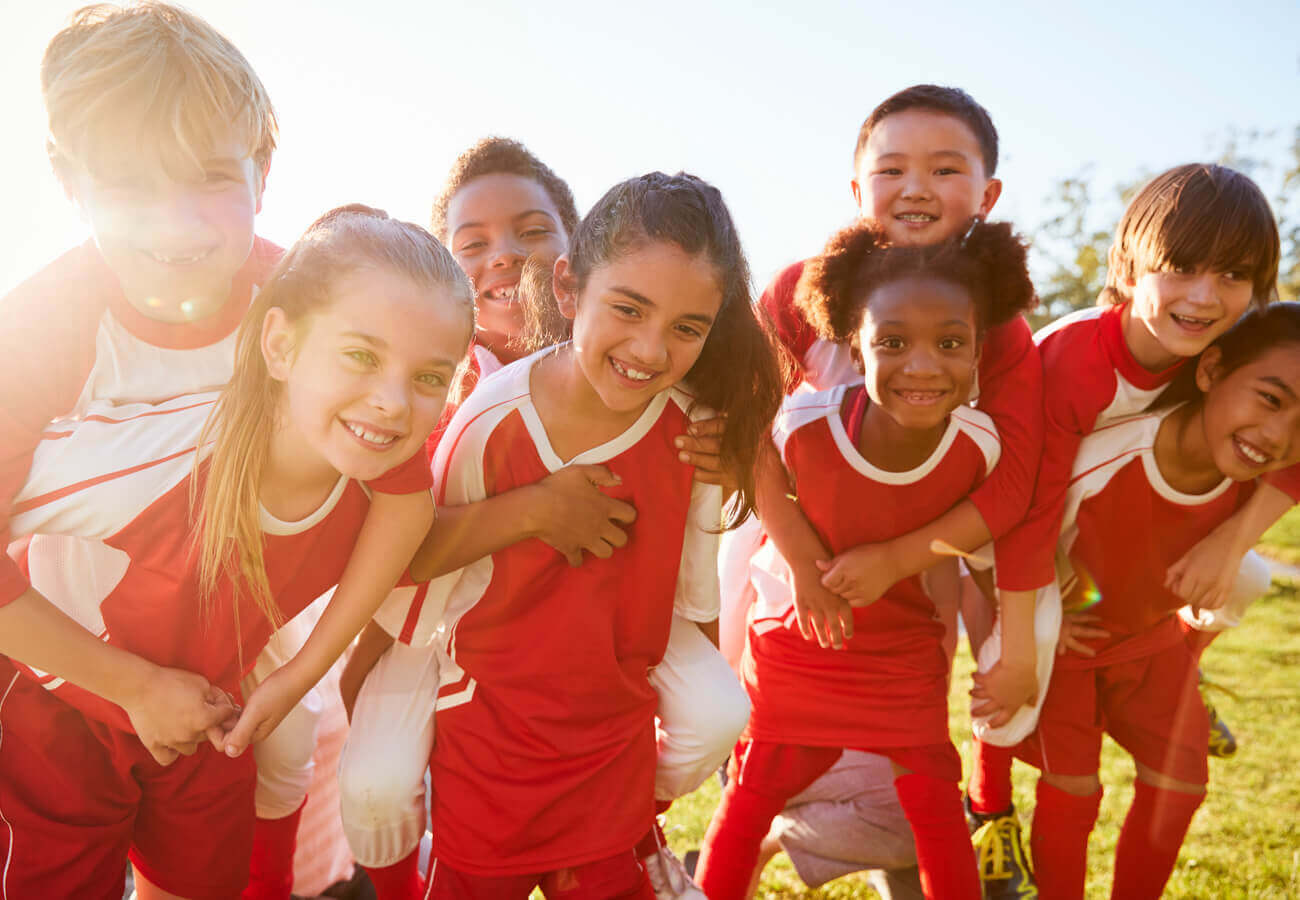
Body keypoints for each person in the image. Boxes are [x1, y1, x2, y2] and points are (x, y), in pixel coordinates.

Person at [0, 7, 435, 897]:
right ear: (67, 180)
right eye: (128, 181)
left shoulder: (313, 309)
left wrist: (300, 674)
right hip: (55, 695)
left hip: (214, 699)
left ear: (263, 171)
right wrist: (127, 684)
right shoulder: (36, 334)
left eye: (206, 176)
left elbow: (403, 491)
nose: (174, 223)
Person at [338, 143, 749, 900]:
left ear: (564, 252)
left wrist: (731, 450)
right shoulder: (449, 384)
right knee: (375, 785)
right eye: (473, 243)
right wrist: (536, 510)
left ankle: (627, 832)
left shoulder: (677, 409)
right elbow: (407, 563)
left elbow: (695, 591)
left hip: (604, 633)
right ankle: (396, 878)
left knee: (720, 711)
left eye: (529, 232)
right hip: (448, 620)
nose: (504, 258)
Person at [729, 83, 1043, 895]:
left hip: (929, 565)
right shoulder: (800, 290)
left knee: (925, 737)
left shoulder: (1001, 324)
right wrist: (800, 556)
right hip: (802, 555)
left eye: (945, 169)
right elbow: (748, 433)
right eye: (892, 168)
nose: (915, 188)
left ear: (987, 194)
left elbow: (1008, 491)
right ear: (857, 187)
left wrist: (900, 558)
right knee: (765, 736)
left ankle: (981, 817)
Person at [967, 163, 1288, 894]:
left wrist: (1228, 540)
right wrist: (1037, 599)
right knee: (1026, 650)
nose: (1205, 296)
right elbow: (1027, 503)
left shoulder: (1225, 346)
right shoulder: (1074, 360)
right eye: (1179, 267)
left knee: (1251, 575)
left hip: (1089, 525)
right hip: (1004, 519)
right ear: (1131, 262)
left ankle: (1190, 663)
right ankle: (987, 799)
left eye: (1234, 275)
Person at [1013, 303, 1300, 899]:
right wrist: (1043, 610)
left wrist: (1231, 542)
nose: (1279, 436)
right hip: (1069, 644)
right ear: (1210, 370)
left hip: (1151, 643)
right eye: (1269, 400)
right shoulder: (1112, 455)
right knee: (1073, 791)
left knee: (1182, 781)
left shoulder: (1253, 469)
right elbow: (1017, 529)